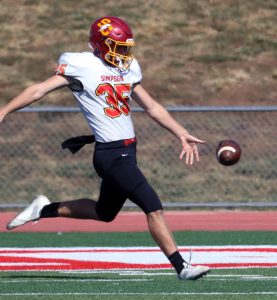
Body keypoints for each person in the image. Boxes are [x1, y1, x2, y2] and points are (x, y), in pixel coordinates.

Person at [0, 16, 210, 280]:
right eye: (117, 46)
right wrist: (4, 111)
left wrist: (181, 132)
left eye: (125, 47)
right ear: (99, 45)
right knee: (152, 205)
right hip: (111, 155)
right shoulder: (81, 64)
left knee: (104, 213)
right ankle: (182, 266)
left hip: (128, 151)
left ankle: (43, 209)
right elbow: (38, 90)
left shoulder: (128, 68)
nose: (123, 53)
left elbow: (152, 106)